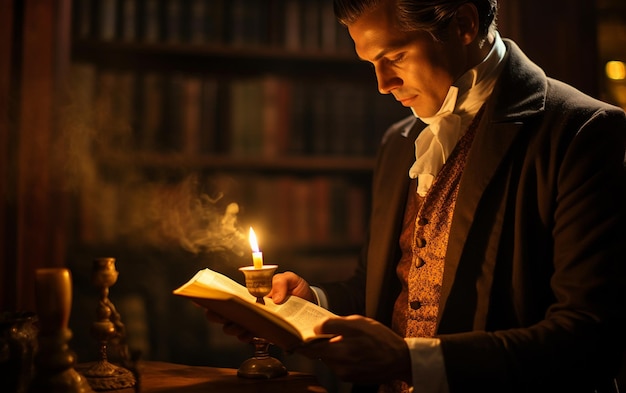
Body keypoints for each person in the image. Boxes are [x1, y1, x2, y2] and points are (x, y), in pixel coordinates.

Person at [210, 1, 626, 392]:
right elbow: (383, 293)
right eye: (371, 64)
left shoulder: (583, 131)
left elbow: (591, 334)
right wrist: (310, 303)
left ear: (463, 25)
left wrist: (412, 361)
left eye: (395, 56)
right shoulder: (399, 142)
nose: (382, 84)